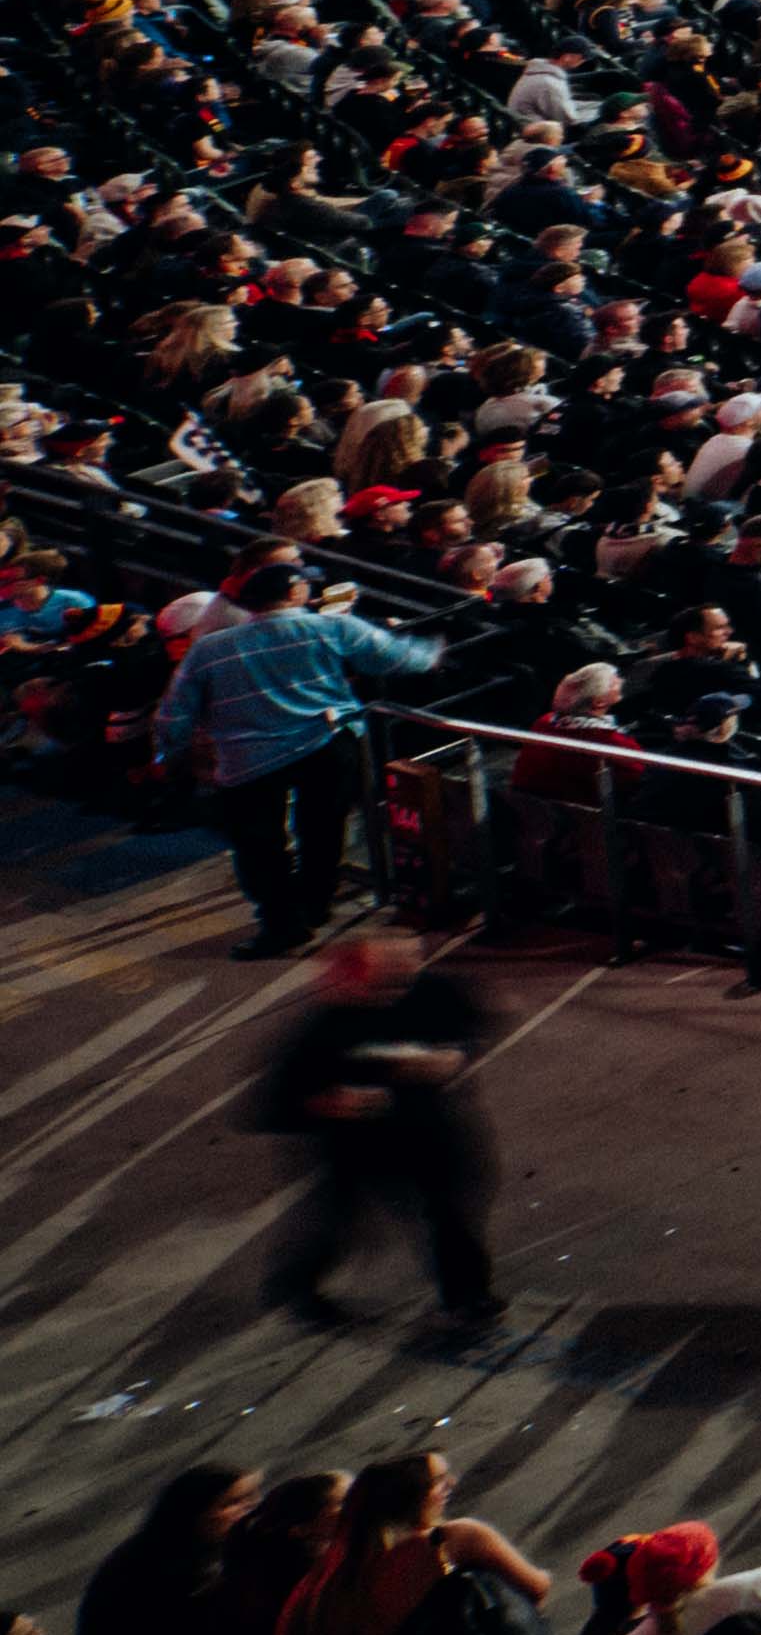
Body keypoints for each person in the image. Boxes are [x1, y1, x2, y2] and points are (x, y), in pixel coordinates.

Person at [252, 926, 504, 1336]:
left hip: (427, 1131)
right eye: (387, 966)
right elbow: (271, 1106)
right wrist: (335, 1103)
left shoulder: (433, 994)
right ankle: (296, 1286)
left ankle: (467, 1297)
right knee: (337, 1222)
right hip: (357, 1146)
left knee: (453, 1213)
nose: (400, 975)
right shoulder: (326, 1028)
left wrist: (455, 1056)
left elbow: (474, 1025)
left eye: (408, 961)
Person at [165, 557, 413, 957]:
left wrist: (171, 752)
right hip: (325, 744)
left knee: (258, 846)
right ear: (295, 593)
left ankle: (281, 924)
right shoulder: (330, 627)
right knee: (323, 830)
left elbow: (176, 710)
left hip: (247, 759)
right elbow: (400, 658)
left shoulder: (209, 649)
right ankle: (315, 904)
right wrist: (430, 647)